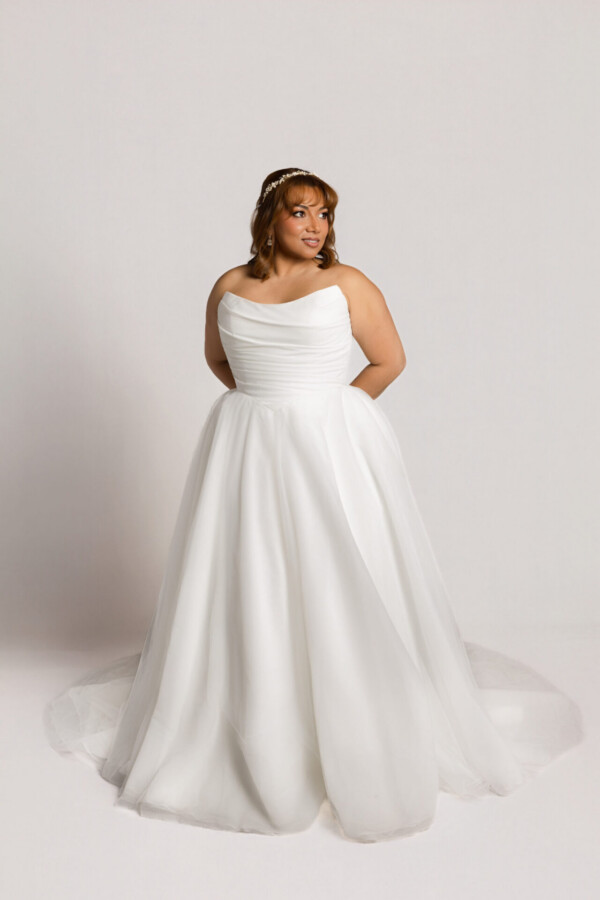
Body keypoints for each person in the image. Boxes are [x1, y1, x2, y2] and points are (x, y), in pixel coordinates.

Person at [44, 168, 584, 843]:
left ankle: (352, 722)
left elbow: (389, 360)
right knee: (252, 573)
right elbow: (219, 359)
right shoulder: (229, 287)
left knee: (334, 575)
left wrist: (331, 415)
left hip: (325, 446)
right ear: (268, 219)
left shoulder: (347, 285)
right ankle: (255, 708)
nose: (314, 227)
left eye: (323, 215)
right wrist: (264, 403)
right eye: (299, 213)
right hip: (244, 443)